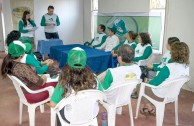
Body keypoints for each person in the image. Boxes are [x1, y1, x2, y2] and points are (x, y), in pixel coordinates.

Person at [49, 47, 103, 125]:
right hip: (91, 115)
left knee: (58, 110)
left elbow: (52, 104)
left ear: (68, 61)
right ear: (85, 61)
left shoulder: (63, 81)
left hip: (70, 118)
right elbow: (101, 97)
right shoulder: (94, 78)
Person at [140, 42, 189, 116]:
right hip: (173, 94)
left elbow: (154, 83)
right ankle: (146, 107)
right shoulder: (186, 67)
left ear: (173, 53)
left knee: (139, 86)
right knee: (147, 86)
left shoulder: (168, 67)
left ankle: (150, 108)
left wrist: (147, 82)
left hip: (161, 95)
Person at [131, 32, 152, 99]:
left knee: (138, 78)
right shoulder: (139, 44)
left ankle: (138, 92)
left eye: (139, 37)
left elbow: (144, 57)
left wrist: (133, 59)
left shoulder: (148, 47)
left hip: (142, 65)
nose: (138, 38)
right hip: (135, 63)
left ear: (144, 38)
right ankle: (133, 90)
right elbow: (134, 52)